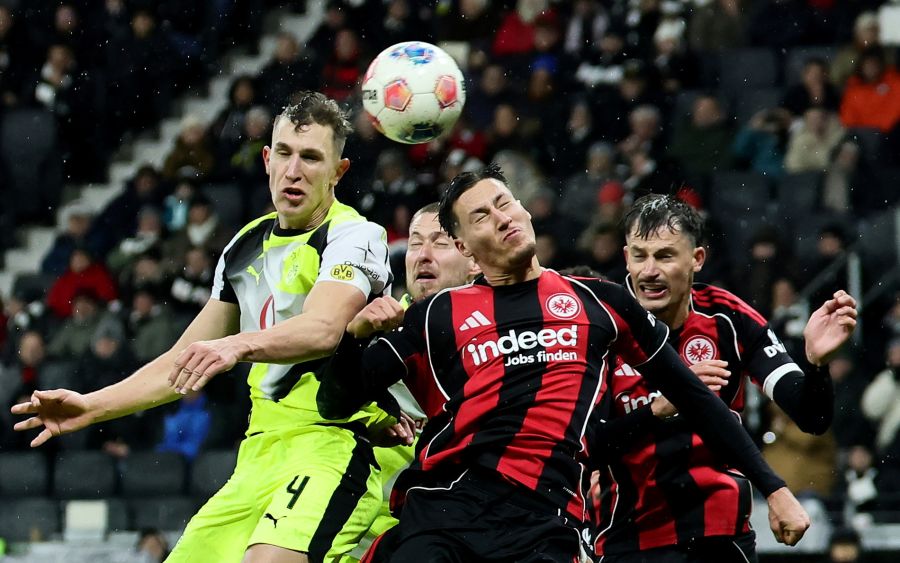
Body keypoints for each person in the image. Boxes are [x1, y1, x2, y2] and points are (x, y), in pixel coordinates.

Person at [317, 164, 811, 562]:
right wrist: (353, 341)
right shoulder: (436, 314)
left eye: (505, 203)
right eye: (482, 216)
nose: (502, 218)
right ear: (464, 248)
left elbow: (695, 397)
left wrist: (774, 488)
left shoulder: (601, 302)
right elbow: (333, 402)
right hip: (447, 513)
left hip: (545, 525)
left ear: (525, 211)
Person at [12, 92, 394, 563]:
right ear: (267, 160)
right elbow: (182, 361)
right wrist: (92, 406)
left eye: (312, 158)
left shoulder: (355, 236)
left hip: (332, 444)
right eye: (285, 154)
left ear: (339, 171)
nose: (294, 171)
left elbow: (322, 329)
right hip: (258, 453)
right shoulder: (243, 246)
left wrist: (236, 346)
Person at [591, 194, 857, 562]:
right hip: (629, 539)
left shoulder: (729, 318)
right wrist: (659, 409)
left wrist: (815, 363)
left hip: (720, 536)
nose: (649, 271)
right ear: (626, 257)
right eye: (640, 256)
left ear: (697, 259)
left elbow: (813, 417)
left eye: (665, 256)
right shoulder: (600, 328)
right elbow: (586, 446)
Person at [351, 202, 480, 559]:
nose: (423, 255)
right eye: (415, 242)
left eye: (440, 243)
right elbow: (322, 403)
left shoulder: (499, 335)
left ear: (473, 259)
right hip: (359, 528)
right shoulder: (370, 329)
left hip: (457, 526)